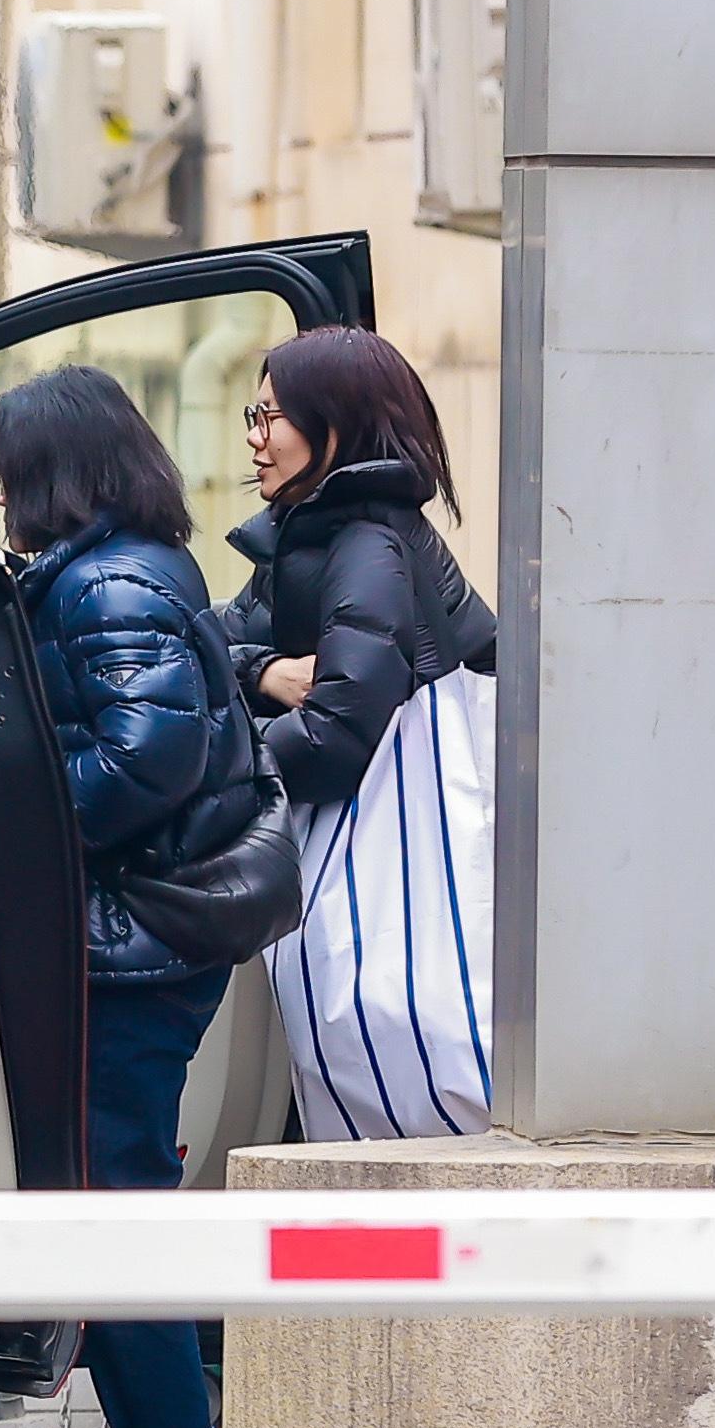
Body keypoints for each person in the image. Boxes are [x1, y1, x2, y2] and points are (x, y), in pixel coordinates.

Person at [0, 366, 282, 1428]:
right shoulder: (115, 569)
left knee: (114, 1192)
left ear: (47, 472)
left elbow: (143, 758)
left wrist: (8, 818)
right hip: (139, 930)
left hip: (138, 936)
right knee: (109, 1184)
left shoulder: (107, 582)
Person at [221, 326, 500, 1143]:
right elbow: (206, 644)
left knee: (388, 1027)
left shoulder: (364, 545)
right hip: (379, 827)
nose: (253, 437)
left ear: (332, 427)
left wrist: (218, 767)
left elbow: (336, 738)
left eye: (268, 415)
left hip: (387, 835)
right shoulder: (312, 535)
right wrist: (265, 670)